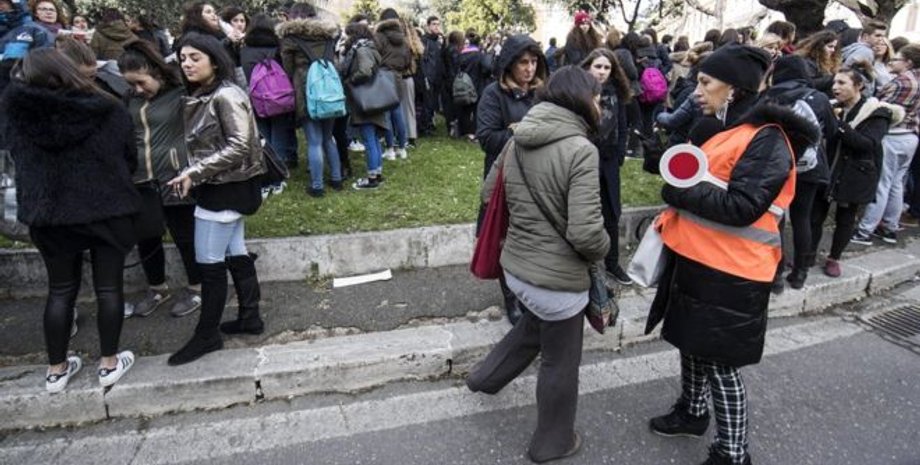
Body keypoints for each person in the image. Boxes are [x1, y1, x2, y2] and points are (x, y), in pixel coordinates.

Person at [644, 44, 817, 465]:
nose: (696, 91)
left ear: (735, 89)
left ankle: (732, 452)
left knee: (721, 365)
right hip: (700, 260)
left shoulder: (768, 139)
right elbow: (709, 181)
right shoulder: (727, 129)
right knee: (690, 344)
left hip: (734, 273)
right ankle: (692, 412)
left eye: (706, 82)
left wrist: (677, 190)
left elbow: (743, 206)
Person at [466, 66, 610, 464]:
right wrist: (606, 248)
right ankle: (553, 442)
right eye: (598, 98)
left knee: (534, 325)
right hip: (557, 281)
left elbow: (488, 193)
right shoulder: (581, 150)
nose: (601, 106)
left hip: (517, 269)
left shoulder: (517, 138)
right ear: (581, 100)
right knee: (560, 361)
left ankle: (484, 378)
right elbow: (586, 234)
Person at [3, 48, 139, 392]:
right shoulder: (107, 107)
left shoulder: (16, 112)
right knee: (109, 288)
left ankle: (56, 370)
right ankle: (109, 364)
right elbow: (129, 157)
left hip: (49, 213)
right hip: (106, 207)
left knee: (60, 290)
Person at [166, 33, 265, 366]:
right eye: (182, 58)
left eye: (195, 57)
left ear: (214, 60)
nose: (187, 64)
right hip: (224, 187)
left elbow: (239, 145)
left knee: (209, 265)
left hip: (223, 190)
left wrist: (194, 173)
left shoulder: (225, 95)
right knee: (236, 253)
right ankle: (250, 318)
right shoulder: (208, 93)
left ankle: (207, 335)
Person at [118, 39, 203, 319]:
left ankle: (197, 287)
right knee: (147, 238)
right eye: (131, 84)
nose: (137, 89)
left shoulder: (181, 92)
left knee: (184, 236)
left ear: (155, 71)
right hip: (141, 180)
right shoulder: (130, 99)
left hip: (175, 177)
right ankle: (157, 288)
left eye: (141, 82)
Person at [475, 34, 548, 324]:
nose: (529, 69)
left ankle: (531, 291)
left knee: (532, 237)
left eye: (534, 62)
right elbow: (487, 138)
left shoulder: (542, 93)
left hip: (539, 176)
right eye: (523, 63)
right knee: (506, 238)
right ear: (509, 64)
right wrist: (518, 132)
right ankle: (511, 297)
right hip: (506, 177)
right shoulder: (494, 94)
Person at [809, 62, 898, 277]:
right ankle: (808, 255)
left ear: (859, 86)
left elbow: (866, 143)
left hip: (855, 173)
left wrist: (838, 124)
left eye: (842, 83)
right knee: (815, 215)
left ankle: (834, 258)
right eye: (834, 82)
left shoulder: (877, 113)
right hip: (828, 168)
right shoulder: (832, 106)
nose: (835, 87)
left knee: (845, 218)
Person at [764, 55, 836, 289]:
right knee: (802, 218)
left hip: (778, 164)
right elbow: (832, 131)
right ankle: (800, 272)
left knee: (776, 217)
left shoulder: (770, 96)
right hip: (810, 165)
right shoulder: (819, 97)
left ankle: (776, 271)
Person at [852, 44, 920, 245]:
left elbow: (878, 106)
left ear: (908, 62)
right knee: (896, 184)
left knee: (881, 184)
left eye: (897, 59)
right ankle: (890, 227)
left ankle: (865, 231)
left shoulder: (903, 82)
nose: (892, 61)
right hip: (910, 136)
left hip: (893, 136)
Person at [277, 2, 343, 197]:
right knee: (328, 138)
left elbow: (288, 69)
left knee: (314, 141)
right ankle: (337, 178)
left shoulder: (290, 38)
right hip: (330, 91)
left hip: (306, 90)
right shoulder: (328, 35)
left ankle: (317, 186)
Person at [580, 48, 632, 285]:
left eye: (606, 67)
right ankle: (583, 266)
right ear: (588, 67)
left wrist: (619, 155)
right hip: (583, 160)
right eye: (598, 66)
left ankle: (612, 263)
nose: (602, 72)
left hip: (609, 161)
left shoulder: (616, 94)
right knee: (583, 212)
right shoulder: (578, 92)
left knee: (611, 213)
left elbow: (622, 126)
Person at [240, 13, 297, 187]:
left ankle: (267, 173)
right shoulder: (278, 49)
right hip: (279, 99)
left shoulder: (244, 51)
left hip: (257, 99)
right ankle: (278, 175)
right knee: (279, 135)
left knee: (264, 137)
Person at [340, 21, 388, 190]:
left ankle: (372, 178)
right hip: (374, 98)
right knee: (373, 138)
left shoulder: (361, 49)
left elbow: (365, 71)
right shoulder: (370, 47)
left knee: (368, 139)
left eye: (347, 34)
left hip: (365, 99)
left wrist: (350, 81)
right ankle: (377, 173)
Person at [374, 8, 413, 161]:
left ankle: (390, 149)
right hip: (398, 76)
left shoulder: (379, 37)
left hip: (383, 76)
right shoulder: (403, 39)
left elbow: (374, 57)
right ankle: (402, 148)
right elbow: (408, 61)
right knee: (398, 112)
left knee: (386, 115)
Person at [456, 30, 490, 141]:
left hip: (463, 85)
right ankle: (475, 132)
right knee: (476, 110)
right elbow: (487, 68)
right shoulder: (479, 55)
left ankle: (464, 131)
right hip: (477, 85)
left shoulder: (461, 55)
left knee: (464, 109)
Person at [419, 16, 444, 136]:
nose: (436, 27)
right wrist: (425, 77)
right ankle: (425, 127)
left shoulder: (438, 41)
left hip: (437, 77)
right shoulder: (424, 40)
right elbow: (423, 60)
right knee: (427, 103)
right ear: (428, 26)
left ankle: (429, 124)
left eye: (438, 24)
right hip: (428, 77)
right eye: (434, 24)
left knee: (433, 103)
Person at [795, 30, 840, 95]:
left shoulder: (831, 60)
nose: (833, 50)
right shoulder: (807, 61)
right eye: (830, 46)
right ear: (819, 46)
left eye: (834, 47)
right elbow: (810, 83)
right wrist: (833, 78)